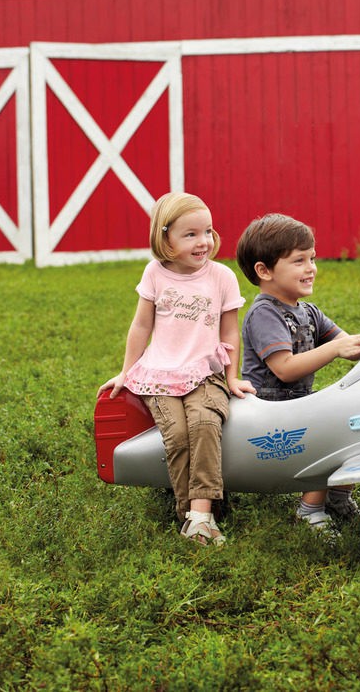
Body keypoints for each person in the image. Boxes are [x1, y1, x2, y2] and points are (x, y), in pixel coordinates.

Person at [98, 193, 255, 546]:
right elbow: (141, 327)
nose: (203, 242)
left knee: (204, 423)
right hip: (160, 373)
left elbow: (230, 330)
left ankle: (201, 515)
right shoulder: (155, 273)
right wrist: (126, 372)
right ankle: (193, 515)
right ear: (165, 237)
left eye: (208, 231)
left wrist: (231, 376)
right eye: (191, 234)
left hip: (205, 370)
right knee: (177, 435)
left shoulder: (221, 277)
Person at [235, 213, 360, 533]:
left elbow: (350, 345)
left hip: (296, 405)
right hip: (267, 412)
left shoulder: (308, 311)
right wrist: (334, 350)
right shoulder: (264, 312)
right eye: (299, 261)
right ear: (264, 271)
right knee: (329, 428)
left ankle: (338, 495)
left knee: (355, 416)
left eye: (312, 258)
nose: (311, 268)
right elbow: (284, 369)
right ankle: (309, 509)